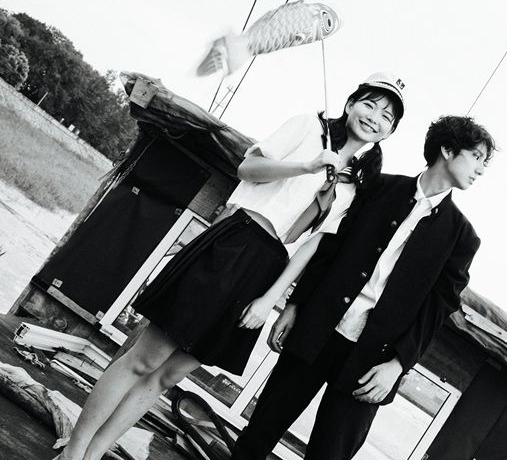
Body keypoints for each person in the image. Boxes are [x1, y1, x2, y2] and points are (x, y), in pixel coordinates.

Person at [54, 72, 406, 460]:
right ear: (351, 103)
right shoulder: (309, 128)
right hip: (236, 241)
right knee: (145, 359)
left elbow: (312, 244)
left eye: (387, 116)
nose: (374, 117)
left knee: (169, 375)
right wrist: (307, 166)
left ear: (389, 132)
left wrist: (270, 300)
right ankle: (74, 452)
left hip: (268, 270)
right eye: (370, 104)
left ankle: (95, 452)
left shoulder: (356, 183)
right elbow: (248, 168)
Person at [231, 115, 497, 460]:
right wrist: (295, 306)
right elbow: (330, 249)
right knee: (259, 432)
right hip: (317, 329)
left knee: (331, 454)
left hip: (374, 360)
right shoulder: (379, 188)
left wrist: (398, 364)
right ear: (447, 150)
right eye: (476, 157)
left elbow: (438, 308)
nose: (481, 170)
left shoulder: (462, 237)